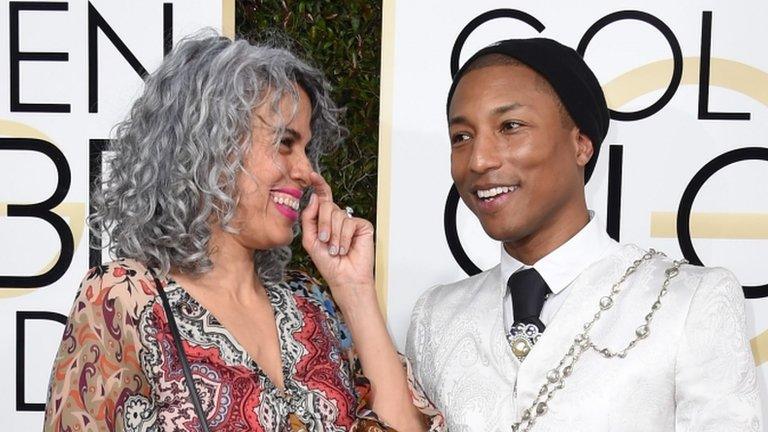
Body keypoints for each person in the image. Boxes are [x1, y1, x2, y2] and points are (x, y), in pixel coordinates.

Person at [44, 34, 437, 431]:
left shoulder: (311, 306)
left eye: (306, 149)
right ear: (210, 148)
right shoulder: (124, 298)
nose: (306, 170)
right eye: (285, 143)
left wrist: (353, 289)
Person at [406, 38, 761, 431]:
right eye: (462, 136)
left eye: (510, 126)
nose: (479, 159)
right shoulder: (435, 317)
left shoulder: (690, 301)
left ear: (581, 144)